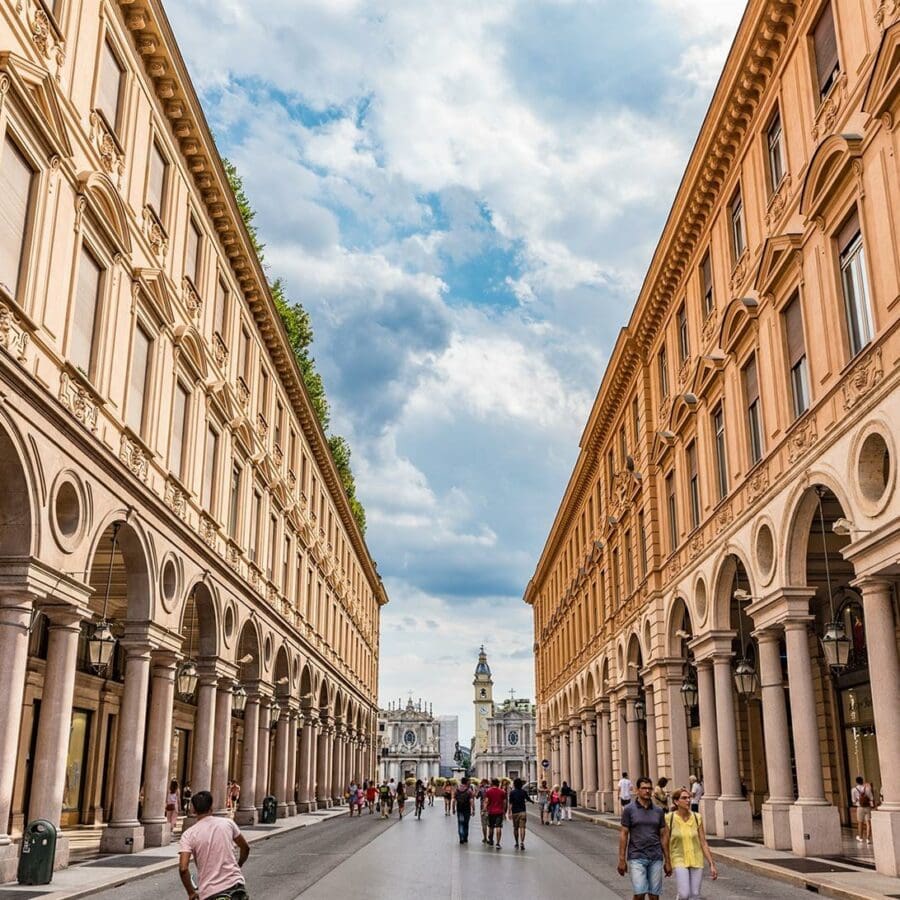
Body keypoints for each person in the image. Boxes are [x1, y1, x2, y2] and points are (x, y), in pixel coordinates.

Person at [178, 790, 250, 900]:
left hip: (210, 892)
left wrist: (191, 893)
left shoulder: (188, 835)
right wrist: (239, 864)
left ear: (193, 810)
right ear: (211, 807)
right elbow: (245, 847)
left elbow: (183, 868)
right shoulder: (227, 823)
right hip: (236, 887)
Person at [617, 776, 671, 900]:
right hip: (637, 856)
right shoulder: (629, 810)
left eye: (649, 788)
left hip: (655, 856)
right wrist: (621, 859)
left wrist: (668, 861)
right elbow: (624, 834)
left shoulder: (658, 811)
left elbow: (663, 835)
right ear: (637, 790)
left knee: (654, 896)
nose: (647, 791)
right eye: (644, 788)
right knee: (640, 893)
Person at [667, 787, 717, 899]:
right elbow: (665, 841)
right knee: (684, 894)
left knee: (695, 894)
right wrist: (667, 861)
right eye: (684, 798)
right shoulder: (669, 818)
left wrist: (711, 864)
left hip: (696, 858)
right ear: (676, 801)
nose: (688, 800)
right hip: (679, 858)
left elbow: (703, 842)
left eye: (689, 798)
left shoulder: (697, 817)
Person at [852, 775, 875, 844]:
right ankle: (868, 839)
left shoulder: (854, 790)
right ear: (862, 781)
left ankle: (860, 837)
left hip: (860, 807)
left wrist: (858, 800)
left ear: (856, 782)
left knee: (860, 822)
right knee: (868, 823)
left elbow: (853, 800)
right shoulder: (867, 788)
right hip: (867, 807)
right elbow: (871, 798)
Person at [508, 777, 529, 851]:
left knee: (515, 828)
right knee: (522, 828)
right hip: (523, 812)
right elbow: (528, 798)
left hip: (515, 812)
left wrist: (509, 812)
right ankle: (522, 842)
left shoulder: (512, 792)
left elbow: (510, 803)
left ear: (514, 784)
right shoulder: (524, 792)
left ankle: (517, 842)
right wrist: (531, 801)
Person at [485, 778, 507, 849]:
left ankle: (491, 840)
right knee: (498, 827)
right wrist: (504, 811)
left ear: (492, 783)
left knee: (491, 826)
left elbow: (486, 801)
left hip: (491, 811)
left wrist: (485, 809)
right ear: (498, 784)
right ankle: (498, 843)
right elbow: (504, 802)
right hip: (499, 812)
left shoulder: (488, 791)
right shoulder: (502, 792)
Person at [455, 777, 475, 844]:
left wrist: (453, 808)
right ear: (466, 782)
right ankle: (465, 838)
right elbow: (471, 801)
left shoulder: (457, 790)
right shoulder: (469, 791)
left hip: (459, 809)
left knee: (460, 823)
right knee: (466, 823)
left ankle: (461, 838)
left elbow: (454, 800)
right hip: (467, 809)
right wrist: (473, 809)